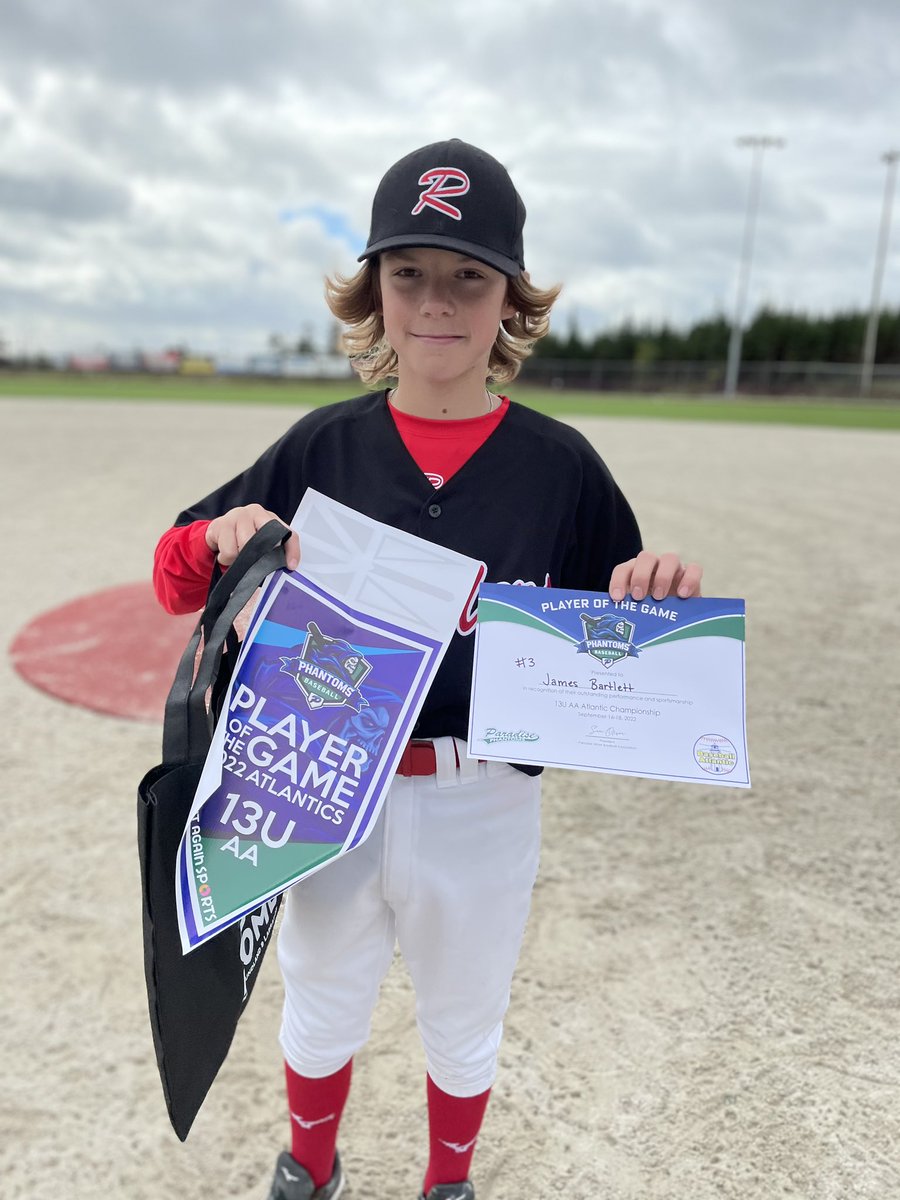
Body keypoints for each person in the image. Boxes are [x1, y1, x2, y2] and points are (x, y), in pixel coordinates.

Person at [153, 138, 702, 1200]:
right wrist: (224, 536)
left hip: (481, 793)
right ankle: (310, 1166)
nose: (437, 301)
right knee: (321, 996)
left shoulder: (560, 464)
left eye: (469, 276)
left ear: (510, 300)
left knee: (464, 1011)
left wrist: (654, 593)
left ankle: (447, 1181)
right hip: (326, 780)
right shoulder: (323, 447)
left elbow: (613, 624)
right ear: (374, 293)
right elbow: (178, 576)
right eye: (408, 273)